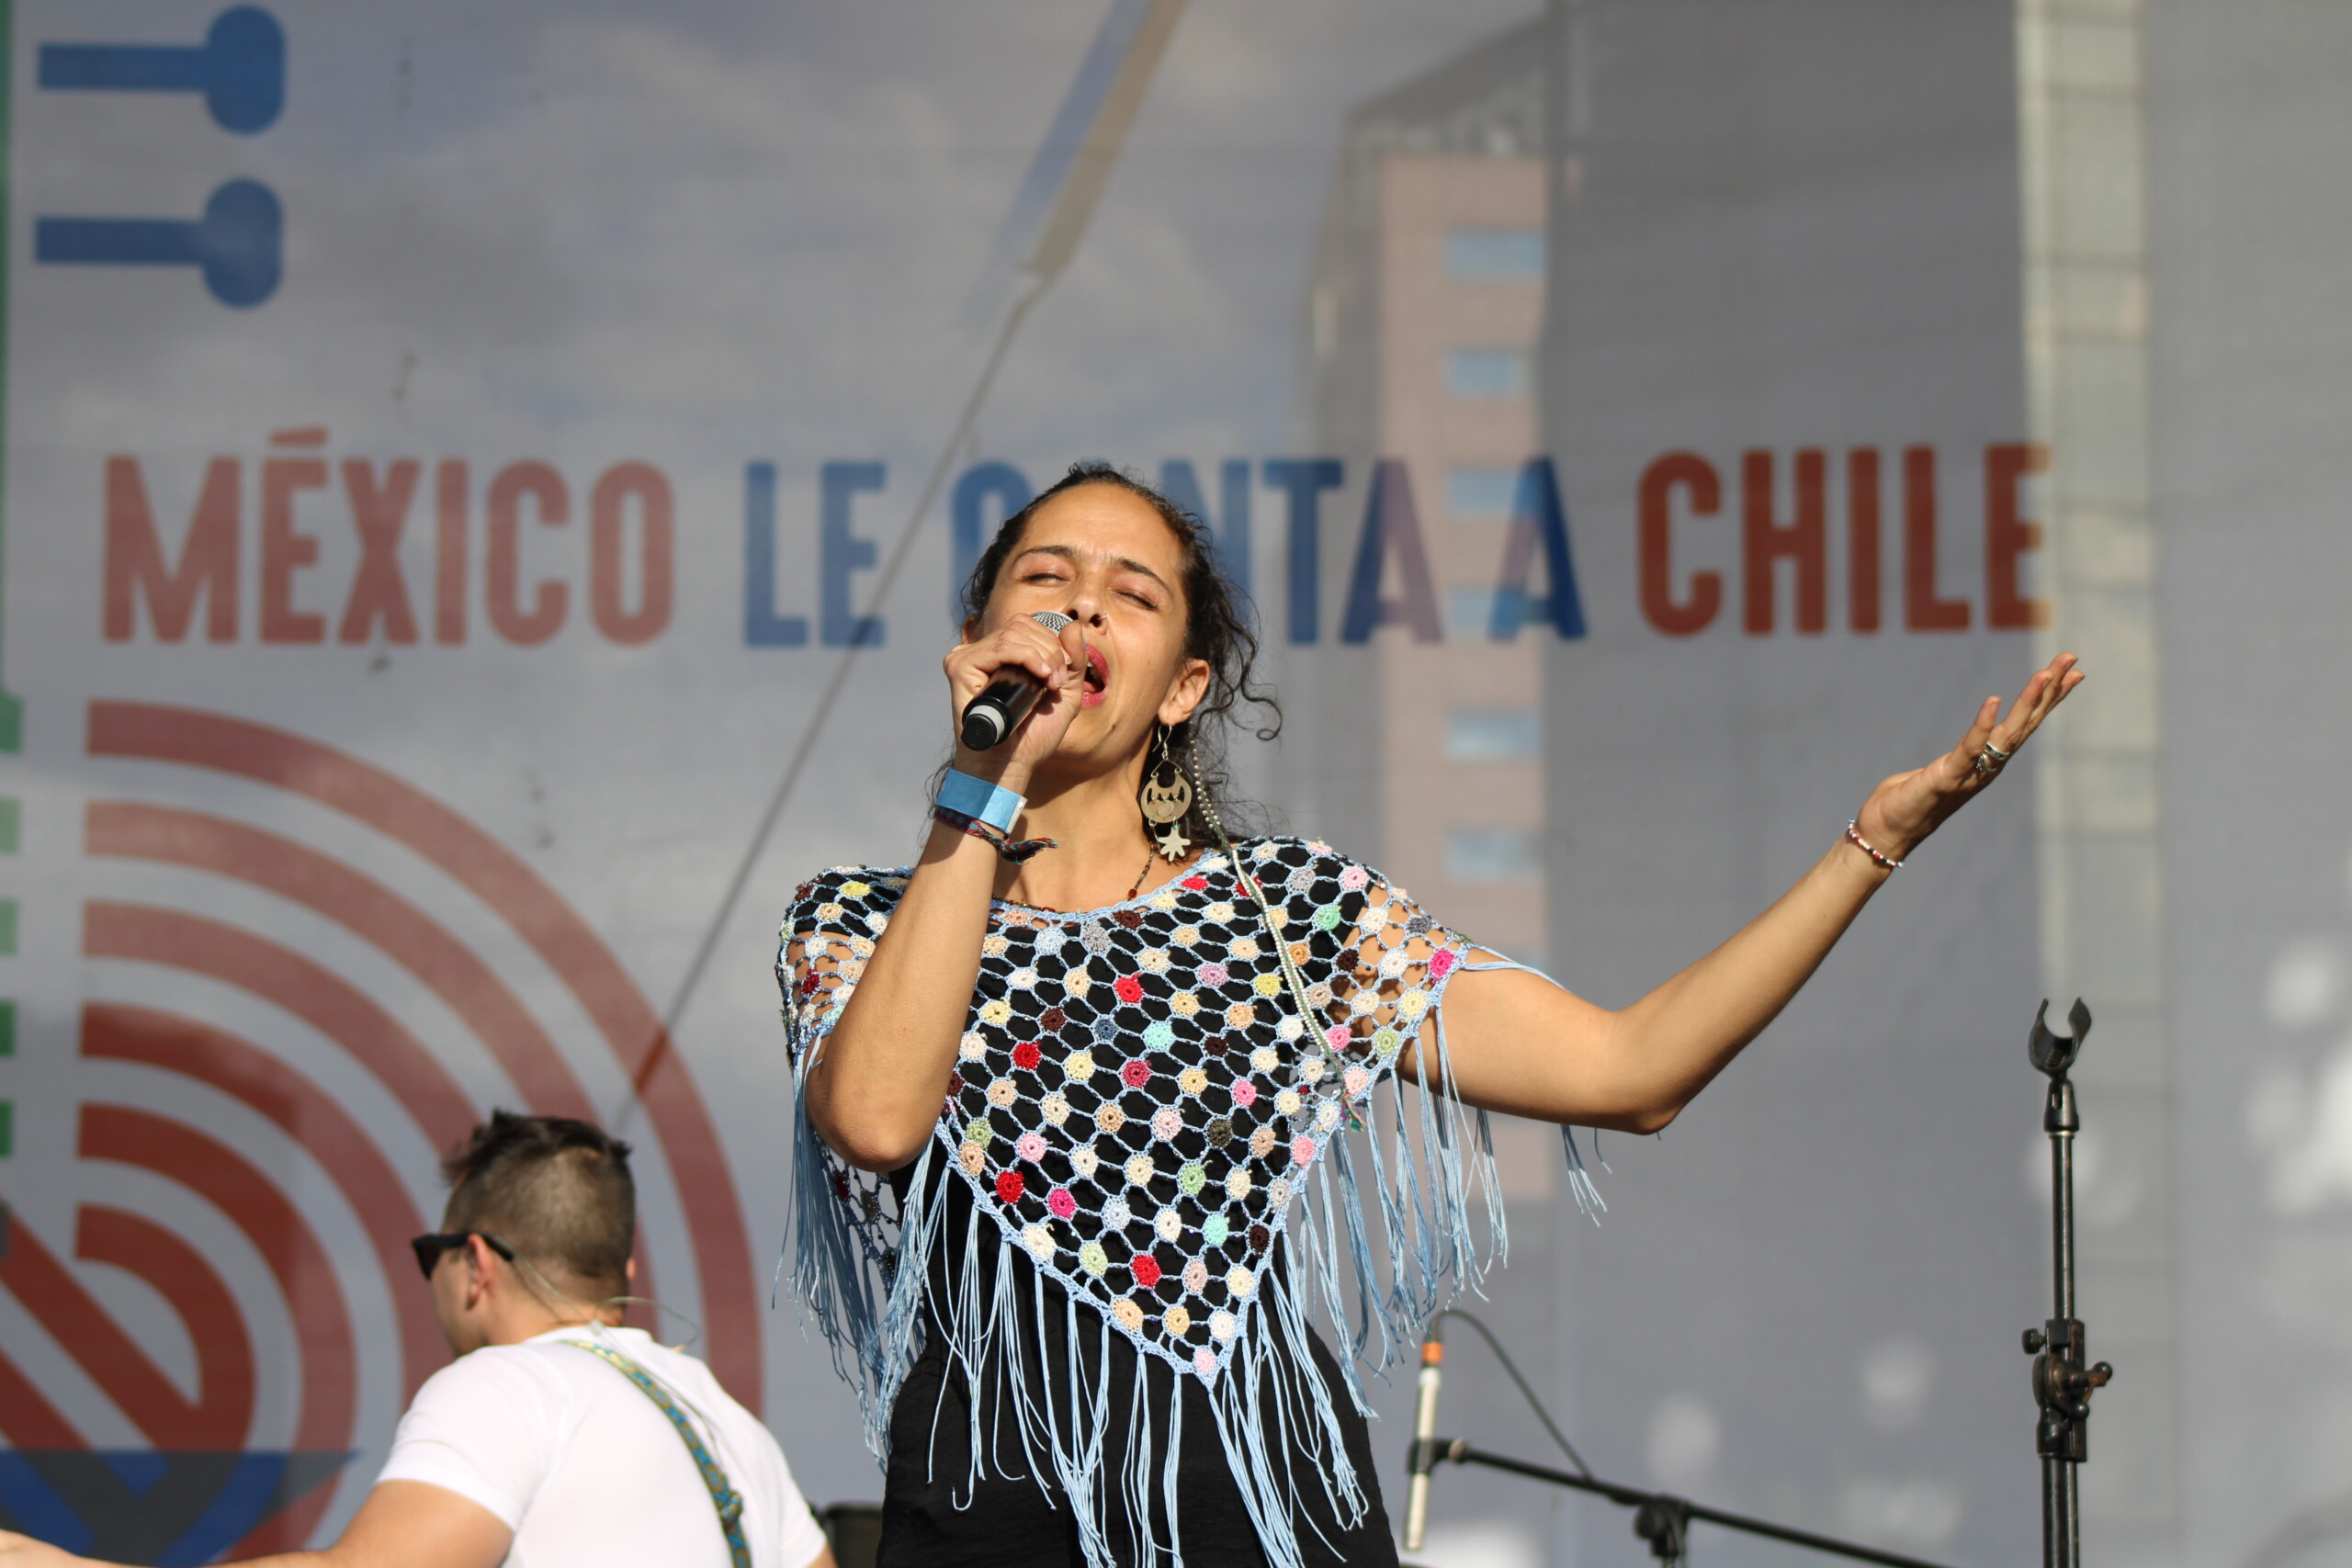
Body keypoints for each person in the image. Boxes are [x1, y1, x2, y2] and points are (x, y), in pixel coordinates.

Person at [776, 462, 2083, 1568]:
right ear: (979, 627)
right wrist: (979, 789)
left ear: (1180, 686)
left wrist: (1873, 841)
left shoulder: (1289, 918)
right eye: (1045, 578)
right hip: (992, 1517)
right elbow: (881, 1116)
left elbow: (1636, 1068)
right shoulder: (854, 918)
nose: (1077, 611)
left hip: (1269, 1515)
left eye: (1131, 593)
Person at [0, 1111, 836, 1568]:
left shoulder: (508, 1384)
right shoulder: (732, 1426)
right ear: (618, 1262)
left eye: (430, 1254)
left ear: (474, 1263)